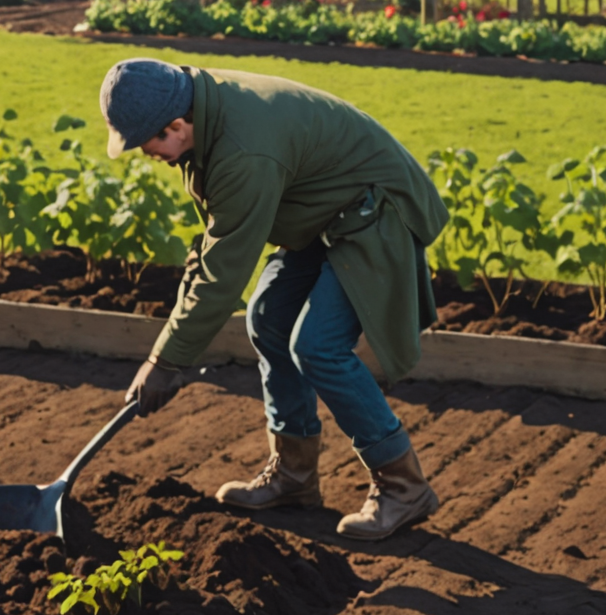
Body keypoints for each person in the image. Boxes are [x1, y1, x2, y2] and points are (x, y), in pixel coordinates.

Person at [100, 58, 450, 540]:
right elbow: (212, 245)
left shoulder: (244, 149)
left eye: (147, 142)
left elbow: (225, 272)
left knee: (318, 346)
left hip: (374, 213)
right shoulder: (205, 117)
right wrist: (168, 353)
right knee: (267, 318)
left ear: (178, 124)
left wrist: (167, 359)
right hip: (324, 211)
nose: (145, 153)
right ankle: (294, 476)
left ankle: (403, 487)